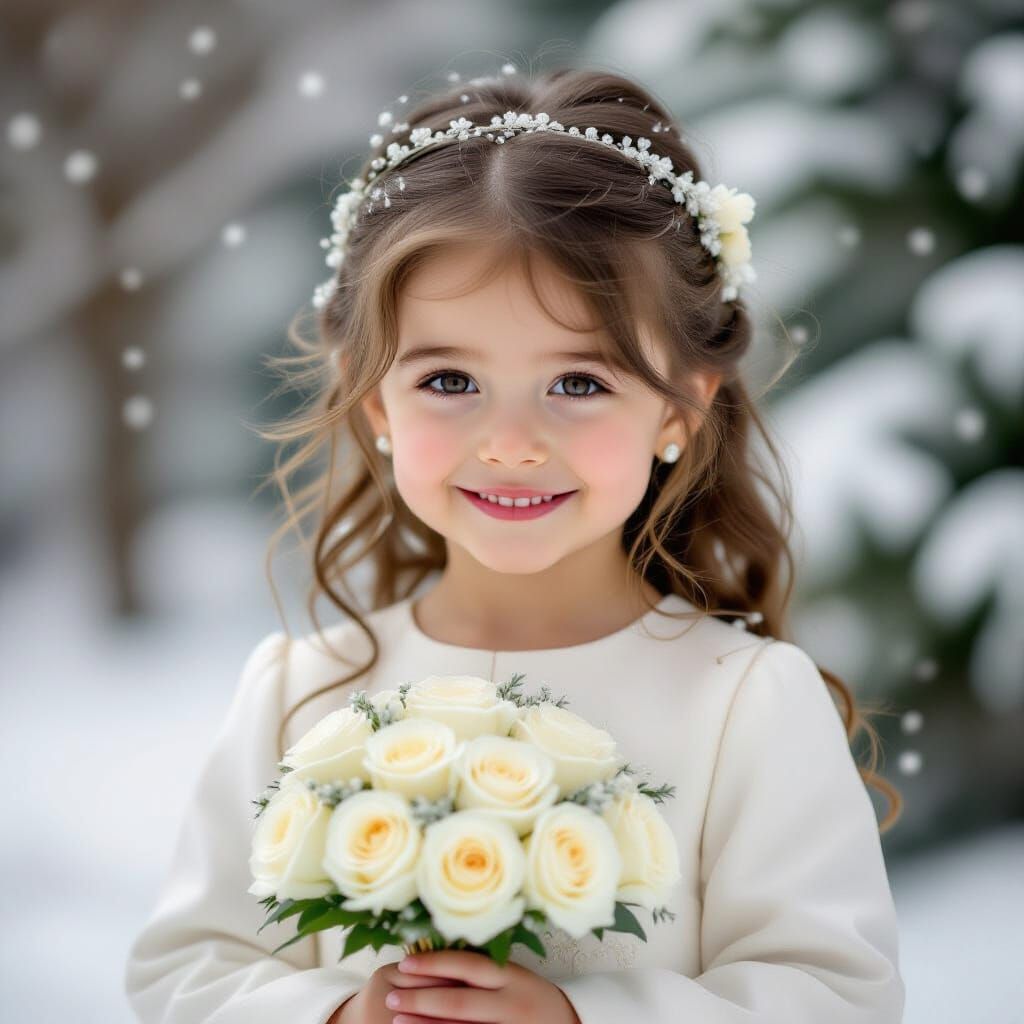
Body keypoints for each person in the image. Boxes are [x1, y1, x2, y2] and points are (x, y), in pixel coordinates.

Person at [124, 63, 906, 1024]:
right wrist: (340, 1013)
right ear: (376, 401)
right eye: (449, 381)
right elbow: (187, 977)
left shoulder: (744, 706)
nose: (510, 442)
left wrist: (586, 1018)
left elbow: (833, 998)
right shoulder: (299, 694)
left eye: (580, 383)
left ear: (681, 410)